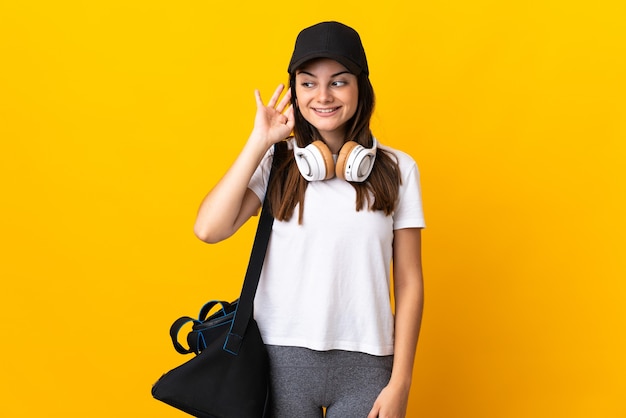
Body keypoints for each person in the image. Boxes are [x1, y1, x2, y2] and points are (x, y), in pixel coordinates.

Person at [194, 21, 425, 418]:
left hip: (367, 366)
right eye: (307, 83)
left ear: (360, 88)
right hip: (278, 360)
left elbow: (409, 281)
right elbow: (208, 229)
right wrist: (259, 142)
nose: (322, 96)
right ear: (295, 91)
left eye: (338, 82)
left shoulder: (399, 169)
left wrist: (401, 379)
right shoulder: (277, 162)